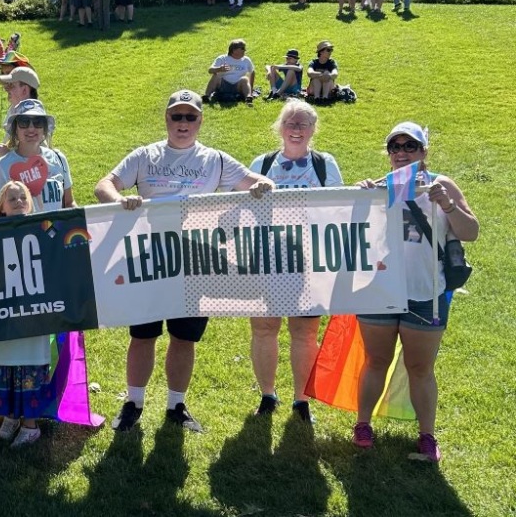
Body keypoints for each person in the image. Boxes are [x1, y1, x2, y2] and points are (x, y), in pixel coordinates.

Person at [95, 89, 274, 432]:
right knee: (143, 334)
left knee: (184, 337)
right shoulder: (146, 155)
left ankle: (176, 406)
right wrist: (120, 199)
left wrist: (261, 186)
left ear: (200, 121)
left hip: (196, 260)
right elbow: (104, 184)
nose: (183, 123)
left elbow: (260, 182)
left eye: (190, 117)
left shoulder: (215, 160)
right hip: (149, 257)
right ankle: (134, 402)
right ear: (166, 119)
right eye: (176, 116)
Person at [354, 122, 479, 462]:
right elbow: (351, 234)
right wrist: (356, 199)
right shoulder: (378, 187)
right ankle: (362, 425)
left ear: (424, 152)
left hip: (426, 293)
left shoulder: (442, 184)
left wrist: (449, 206)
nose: (402, 152)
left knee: (420, 368)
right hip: (378, 290)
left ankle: (427, 435)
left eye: (410, 146)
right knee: (375, 361)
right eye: (395, 147)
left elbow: (471, 232)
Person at [248, 101, 343, 421]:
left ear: (313, 129)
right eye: (290, 122)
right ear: (280, 127)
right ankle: (267, 395)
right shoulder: (261, 164)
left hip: (308, 262)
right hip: (267, 261)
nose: (296, 129)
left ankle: (301, 401)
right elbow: (243, 213)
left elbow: (338, 209)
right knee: (264, 329)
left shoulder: (324, 164)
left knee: (304, 333)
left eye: (304, 124)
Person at [0, 179, 52, 447]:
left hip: (34, 314)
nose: (19, 202)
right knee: (6, 362)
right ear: (2, 208)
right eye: (12, 199)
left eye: (23, 197)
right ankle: (10, 417)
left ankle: (31, 425)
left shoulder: (44, 228)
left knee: (30, 363)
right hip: (4, 315)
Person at [0, 99, 74, 216]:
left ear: (44, 129)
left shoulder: (59, 159)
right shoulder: (1, 165)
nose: (31, 128)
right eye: (24, 122)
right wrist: (11, 206)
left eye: (38, 122)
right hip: (23, 233)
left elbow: (69, 203)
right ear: (15, 129)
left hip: (56, 232)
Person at [204, 39, 256, 104]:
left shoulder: (246, 60)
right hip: (223, 85)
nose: (245, 50)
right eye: (242, 48)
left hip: (238, 86)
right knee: (216, 75)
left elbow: (252, 72)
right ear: (234, 50)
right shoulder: (223, 58)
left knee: (245, 79)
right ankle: (206, 96)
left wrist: (251, 87)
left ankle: (248, 98)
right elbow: (210, 70)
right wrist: (219, 69)